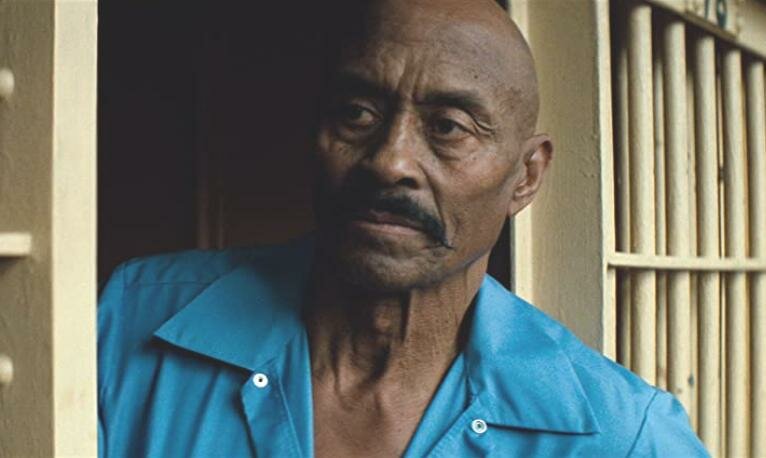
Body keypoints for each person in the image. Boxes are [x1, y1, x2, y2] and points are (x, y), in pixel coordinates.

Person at [97, 0, 709, 456]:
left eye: (448, 127)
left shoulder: (624, 437)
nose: (389, 161)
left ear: (525, 177)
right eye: (357, 113)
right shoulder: (131, 321)